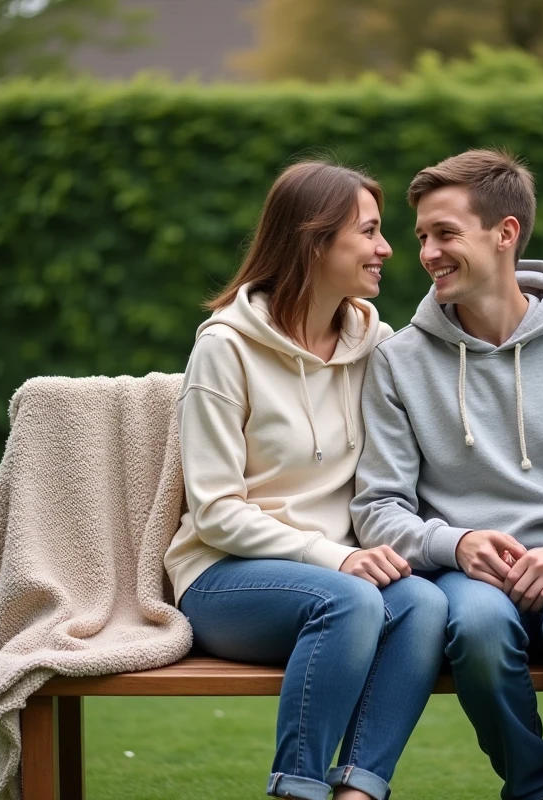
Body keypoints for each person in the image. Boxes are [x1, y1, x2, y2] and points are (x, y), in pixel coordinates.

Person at [352, 149, 543, 800]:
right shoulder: (399, 361)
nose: (427, 252)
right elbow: (378, 507)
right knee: (481, 628)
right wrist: (453, 544)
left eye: (446, 234)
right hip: (467, 579)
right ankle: (534, 787)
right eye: (422, 237)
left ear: (505, 233)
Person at [166, 160, 448, 800]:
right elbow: (214, 511)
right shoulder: (225, 347)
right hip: (227, 576)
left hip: (345, 575)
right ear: (314, 240)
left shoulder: (374, 342)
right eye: (370, 232)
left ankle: (358, 791)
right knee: (348, 599)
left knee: (424, 604)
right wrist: (338, 557)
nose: (387, 249)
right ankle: (296, 790)